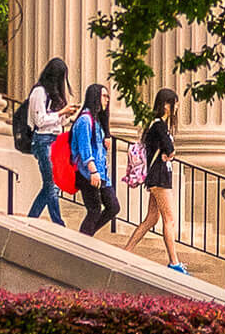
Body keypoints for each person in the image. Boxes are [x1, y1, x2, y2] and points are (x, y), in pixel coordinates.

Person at [121, 87, 186, 273]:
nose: (176, 108)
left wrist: (169, 153)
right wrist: (170, 153)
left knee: (151, 219)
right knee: (169, 219)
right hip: (159, 177)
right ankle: (174, 262)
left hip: (156, 177)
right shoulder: (159, 126)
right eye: (174, 104)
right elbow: (170, 149)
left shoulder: (155, 125)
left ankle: (127, 250)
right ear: (166, 105)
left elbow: (169, 151)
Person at [24, 57, 79, 225]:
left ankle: (31, 219)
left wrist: (67, 116)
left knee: (52, 184)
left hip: (55, 139)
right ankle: (58, 223)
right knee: (51, 183)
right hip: (43, 139)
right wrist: (61, 112)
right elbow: (39, 121)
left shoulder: (50, 94)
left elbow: (57, 121)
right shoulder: (39, 92)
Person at [69, 82, 120, 237]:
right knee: (94, 210)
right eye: (104, 96)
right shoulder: (85, 120)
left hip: (101, 172)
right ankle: (82, 242)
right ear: (95, 96)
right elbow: (84, 148)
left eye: (108, 97)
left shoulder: (97, 121)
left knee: (113, 207)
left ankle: (85, 237)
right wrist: (93, 170)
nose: (107, 100)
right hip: (88, 173)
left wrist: (107, 137)